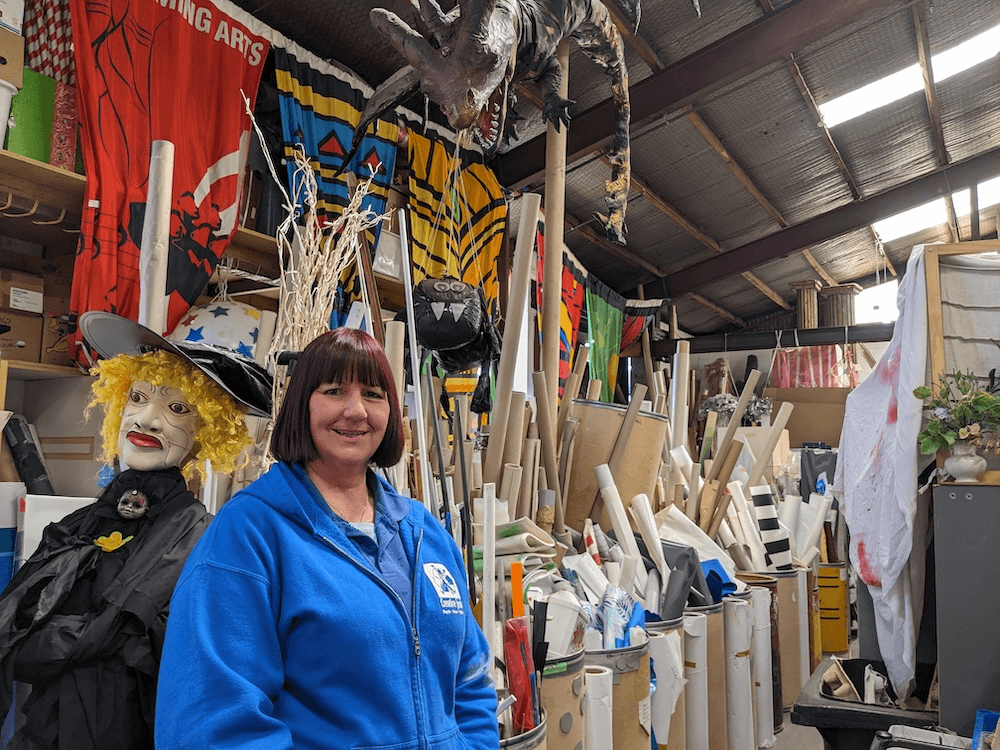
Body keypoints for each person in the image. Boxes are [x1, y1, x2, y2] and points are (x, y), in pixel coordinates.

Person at [155, 326, 499, 750]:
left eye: (373, 394)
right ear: (302, 406)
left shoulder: (424, 533)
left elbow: (470, 677)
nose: (356, 410)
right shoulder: (250, 535)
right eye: (334, 391)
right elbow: (213, 720)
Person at [0, 311, 271, 750]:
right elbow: (15, 635)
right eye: (138, 397)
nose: (147, 420)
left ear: (206, 432)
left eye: (177, 408)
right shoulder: (75, 526)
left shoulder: (207, 543)